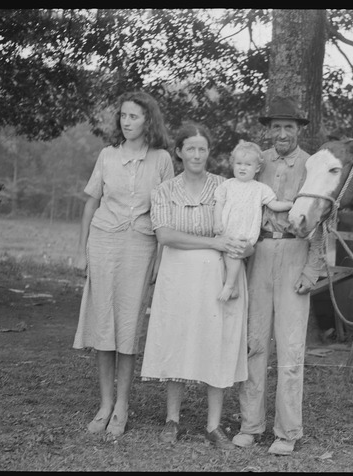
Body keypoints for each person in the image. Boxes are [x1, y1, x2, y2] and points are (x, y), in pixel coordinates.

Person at [140, 122, 253, 450]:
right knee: (177, 339)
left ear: (209, 153)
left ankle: (214, 424)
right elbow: (165, 236)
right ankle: (172, 419)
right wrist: (214, 243)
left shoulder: (224, 187)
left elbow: (240, 228)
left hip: (217, 277)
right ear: (179, 152)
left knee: (215, 342)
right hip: (178, 276)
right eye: (190, 148)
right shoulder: (164, 191)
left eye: (202, 149)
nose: (197, 155)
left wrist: (235, 246)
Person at [72, 91, 174, 437]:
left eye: (134, 116)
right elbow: (90, 203)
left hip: (141, 245)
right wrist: (82, 250)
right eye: (123, 116)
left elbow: (166, 213)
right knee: (103, 323)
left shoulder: (161, 159)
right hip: (103, 242)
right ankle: (104, 403)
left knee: (127, 327)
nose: (126, 122)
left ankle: (123, 405)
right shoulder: (107, 155)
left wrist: (161, 257)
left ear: (149, 121)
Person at [231, 96, 325, 456]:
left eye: (289, 127)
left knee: (290, 349)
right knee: (254, 343)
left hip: (295, 253)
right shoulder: (257, 161)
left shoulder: (311, 164)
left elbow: (321, 218)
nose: (282, 133)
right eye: (276, 127)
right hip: (259, 254)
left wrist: (312, 268)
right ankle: (250, 425)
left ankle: (287, 431)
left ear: (299, 129)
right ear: (268, 130)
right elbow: (238, 205)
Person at [214, 141, 294, 302]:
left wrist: (292, 204)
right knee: (221, 258)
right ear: (233, 165)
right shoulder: (227, 185)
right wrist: (217, 222)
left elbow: (274, 204)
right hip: (226, 228)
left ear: (257, 168)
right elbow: (219, 204)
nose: (242, 168)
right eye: (239, 164)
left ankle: (230, 285)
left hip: (244, 231)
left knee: (234, 254)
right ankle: (234, 287)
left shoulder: (260, 188)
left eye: (248, 165)